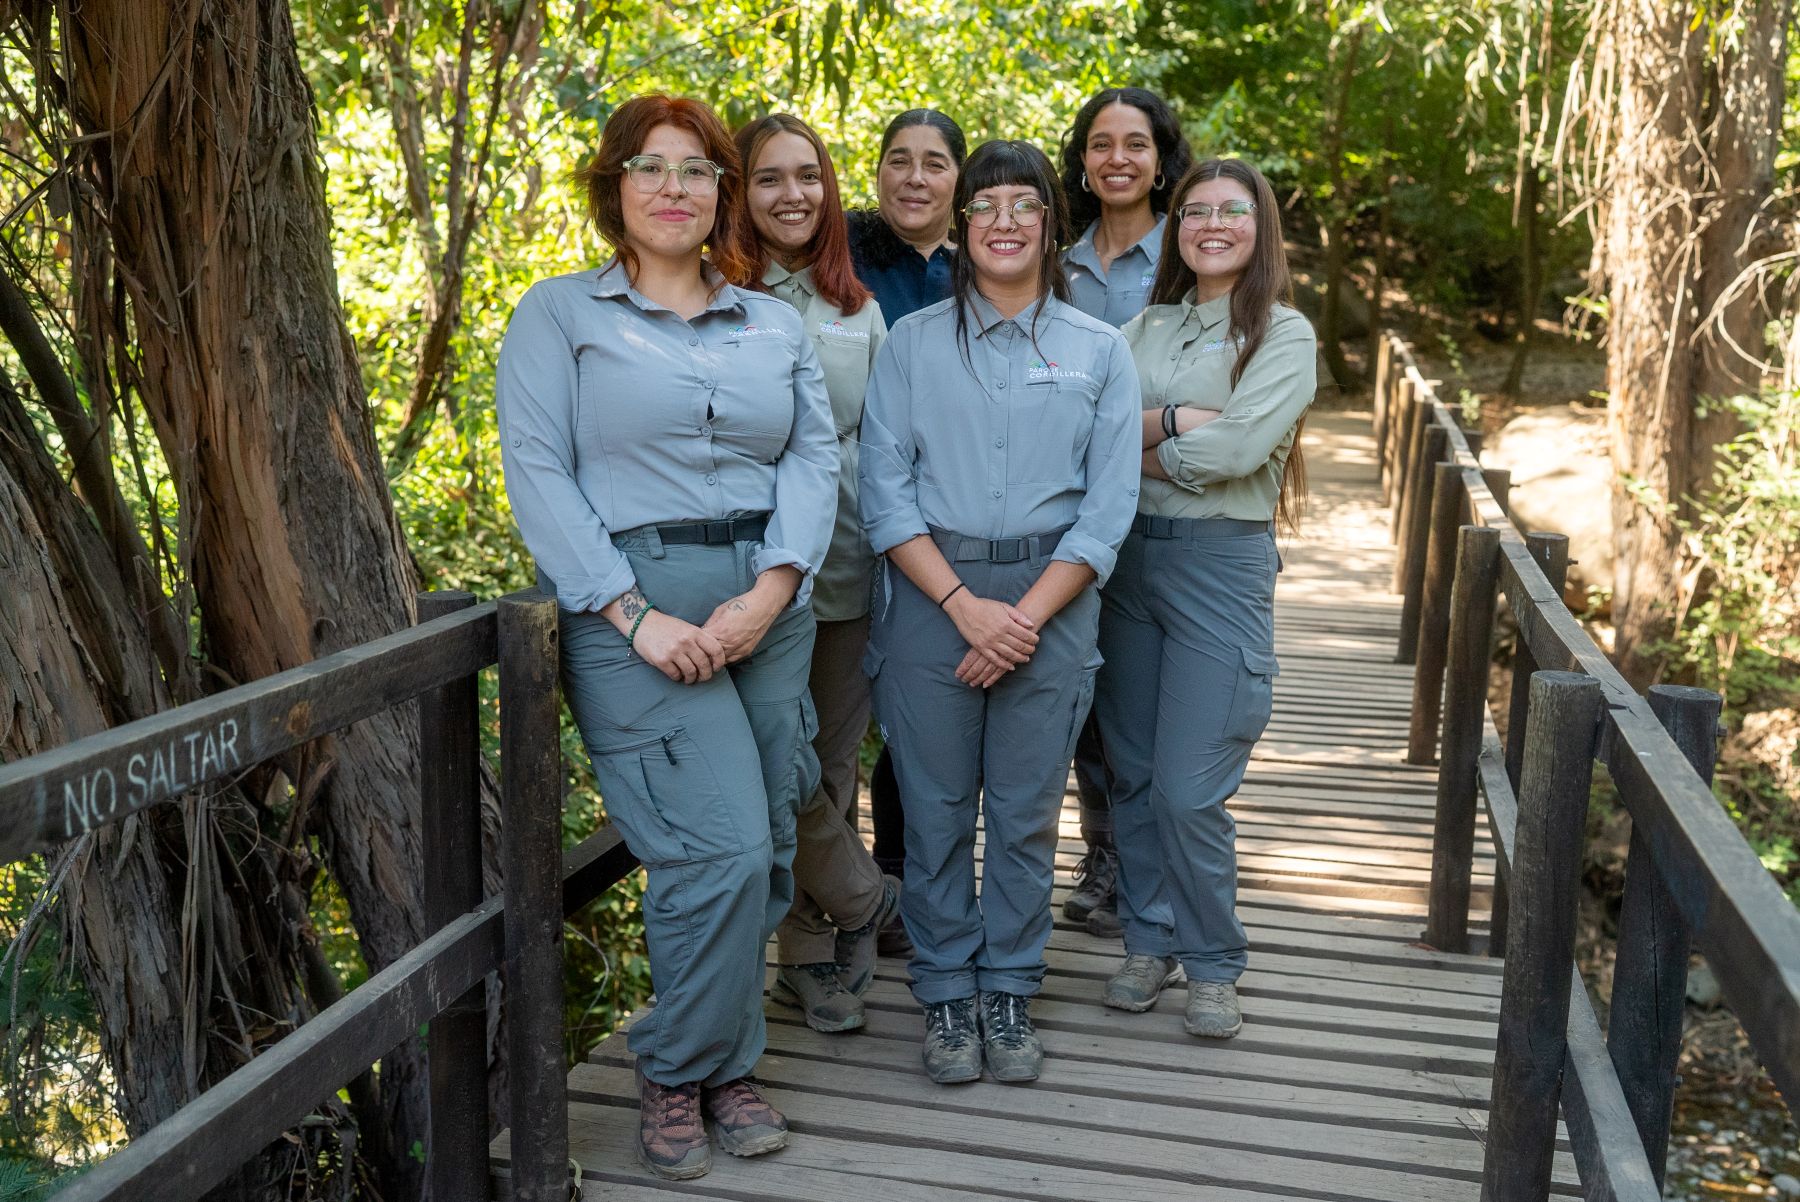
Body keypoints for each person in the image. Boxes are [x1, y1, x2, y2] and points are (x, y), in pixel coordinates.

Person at [496, 94, 837, 1180]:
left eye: (697, 170)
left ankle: (729, 1062)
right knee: (716, 846)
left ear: (722, 193)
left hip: (766, 601)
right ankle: (676, 1066)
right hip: (633, 606)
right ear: (615, 187)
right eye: (651, 166)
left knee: (768, 840)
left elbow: (813, 459)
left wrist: (772, 588)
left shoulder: (773, 323)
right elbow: (537, 470)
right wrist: (632, 613)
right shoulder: (559, 314)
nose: (674, 187)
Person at [859, 140, 1139, 1085]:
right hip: (931, 598)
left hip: (1054, 601)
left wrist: (1021, 619)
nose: (1005, 221)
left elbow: (1108, 509)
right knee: (935, 811)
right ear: (963, 223)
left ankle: (1010, 988)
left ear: (1051, 225)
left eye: (1026, 204)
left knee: (1023, 814)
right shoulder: (909, 344)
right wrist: (964, 607)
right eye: (986, 205)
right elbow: (886, 495)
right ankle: (947, 993)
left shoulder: (1100, 351)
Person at [1092, 157, 1315, 1041]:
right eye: (1195, 211)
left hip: (1219, 569)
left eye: (1232, 211)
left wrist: (1142, 445)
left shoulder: (1283, 334)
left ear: (1261, 228)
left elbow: (1239, 454)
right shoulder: (1140, 328)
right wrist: (1187, 422)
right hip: (1126, 566)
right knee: (1135, 774)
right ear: (1174, 228)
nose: (1212, 225)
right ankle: (1149, 941)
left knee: (1190, 788)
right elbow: (1089, 433)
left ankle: (1214, 959)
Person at [733, 112, 902, 1034]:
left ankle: (803, 960)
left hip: (842, 562)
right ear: (740, 190)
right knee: (765, 759)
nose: (792, 195)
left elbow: (884, 445)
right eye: (769, 177)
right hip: (736, 567)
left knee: (827, 762)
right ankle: (861, 896)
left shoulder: (857, 309)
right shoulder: (709, 293)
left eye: (808, 176)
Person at [1054, 87, 1194, 938]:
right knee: (1087, 691)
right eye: (1100, 144)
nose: (1117, 159)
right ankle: (1103, 853)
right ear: (1081, 161)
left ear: (1161, 158)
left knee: (1155, 709)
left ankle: (1160, 865)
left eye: (1135, 144)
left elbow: (1218, 400)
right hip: (1069, 515)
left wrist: (1128, 433)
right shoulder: (1054, 262)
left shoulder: (1190, 252)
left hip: (1170, 509)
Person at [846, 108, 968, 957]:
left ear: (959, 179)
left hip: (949, 529)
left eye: (934, 162)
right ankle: (851, 899)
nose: (915, 177)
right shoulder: (840, 263)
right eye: (899, 160)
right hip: (846, 518)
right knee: (838, 726)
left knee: (920, 719)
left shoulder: (984, 266)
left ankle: (913, 887)